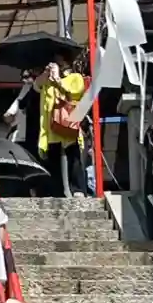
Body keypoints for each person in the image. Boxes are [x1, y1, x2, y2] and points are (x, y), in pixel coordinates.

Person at [38, 52, 90, 196]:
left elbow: (74, 93)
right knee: (53, 159)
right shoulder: (47, 80)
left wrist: (57, 80)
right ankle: (56, 192)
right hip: (51, 127)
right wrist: (46, 74)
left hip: (69, 122)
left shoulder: (75, 77)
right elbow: (37, 86)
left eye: (59, 60)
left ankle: (78, 190)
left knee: (73, 157)